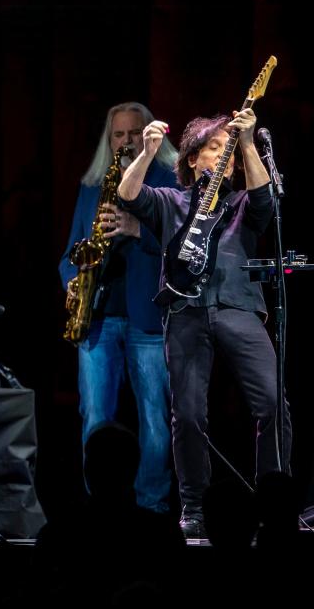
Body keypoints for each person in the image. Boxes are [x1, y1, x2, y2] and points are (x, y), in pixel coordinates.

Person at [118, 108, 291, 538]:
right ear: (193, 158)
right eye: (214, 149)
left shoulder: (242, 204)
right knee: (189, 415)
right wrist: (147, 153)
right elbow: (128, 195)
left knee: (272, 402)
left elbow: (266, 203)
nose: (222, 158)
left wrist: (247, 143)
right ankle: (193, 506)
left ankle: (274, 503)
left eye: (227, 154)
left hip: (237, 306)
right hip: (185, 312)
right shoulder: (170, 203)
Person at [59, 102, 178, 514]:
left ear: (149, 136)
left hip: (147, 316)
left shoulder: (170, 179)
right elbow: (71, 248)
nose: (126, 141)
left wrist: (136, 228)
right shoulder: (94, 184)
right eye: (118, 135)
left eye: (133, 133)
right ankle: (101, 510)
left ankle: (152, 509)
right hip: (98, 315)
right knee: (93, 415)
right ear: (108, 141)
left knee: (155, 420)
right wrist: (71, 280)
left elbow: (186, 245)